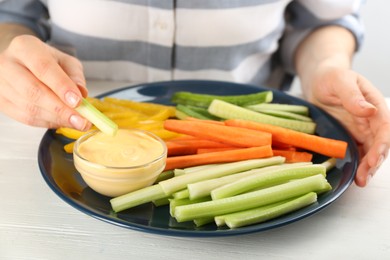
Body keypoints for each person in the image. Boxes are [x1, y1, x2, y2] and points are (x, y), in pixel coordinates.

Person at [0, 0, 389, 188]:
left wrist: (327, 68)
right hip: (58, 146)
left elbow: (321, 20)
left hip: (254, 143)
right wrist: (11, 55)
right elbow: (11, 15)